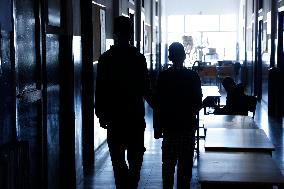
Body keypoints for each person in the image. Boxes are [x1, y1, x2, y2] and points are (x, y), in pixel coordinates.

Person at [94, 16, 152, 189]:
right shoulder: (138, 58)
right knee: (135, 158)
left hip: (114, 117)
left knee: (117, 159)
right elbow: (145, 88)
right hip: (134, 115)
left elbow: (100, 89)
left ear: (115, 34)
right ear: (131, 33)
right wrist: (160, 109)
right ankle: (132, 183)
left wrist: (101, 114)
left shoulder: (105, 59)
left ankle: (123, 184)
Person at [154, 42, 202, 189]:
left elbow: (158, 104)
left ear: (169, 57)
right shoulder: (193, 76)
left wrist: (157, 128)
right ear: (184, 56)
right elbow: (197, 103)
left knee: (168, 166)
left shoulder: (163, 76)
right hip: (187, 127)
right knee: (185, 167)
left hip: (169, 128)